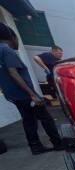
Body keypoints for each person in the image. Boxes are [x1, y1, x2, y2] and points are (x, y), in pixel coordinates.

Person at [0, 23, 63, 155]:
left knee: (28, 119)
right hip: (24, 94)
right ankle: (57, 143)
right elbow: (13, 73)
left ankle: (35, 146)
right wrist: (32, 94)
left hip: (14, 95)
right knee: (46, 118)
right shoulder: (7, 50)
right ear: (11, 37)